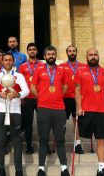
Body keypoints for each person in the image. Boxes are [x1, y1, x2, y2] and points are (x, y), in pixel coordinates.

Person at [75, 48, 104, 176]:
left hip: (101, 111)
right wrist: (78, 107)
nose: (93, 57)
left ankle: (101, 169)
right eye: (90, 55)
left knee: (101, 140)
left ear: (98, 56)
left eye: (95, 55)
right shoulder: (80, 71)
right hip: (86, 111)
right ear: (86, 57)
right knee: (84, 135)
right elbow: (77, 91)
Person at [0, 52, 29, 176]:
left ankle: (18, 170)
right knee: (1, 141)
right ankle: (1, 169)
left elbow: (26, 90)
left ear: (13, 61)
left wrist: (18, 94)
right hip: (0, 111)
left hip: (15, 111)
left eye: (10, 60)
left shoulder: (19, 76)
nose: (8, 62)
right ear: (2, 62)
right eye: (6, 60)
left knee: (17, 142)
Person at [31, 45, 70, 176]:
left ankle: (64, 167)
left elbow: (65, 86)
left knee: (60, 139)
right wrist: (41, 97)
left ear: (56, 55)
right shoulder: (39, 69)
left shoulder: (62, 70)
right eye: (48, 54)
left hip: (59, 109)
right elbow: (33, 87)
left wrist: (57, 96)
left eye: (53, 54)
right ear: (44, 56)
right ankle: (41, 168)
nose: (51, 56)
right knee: (43, 139)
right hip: (43, 109)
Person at [59, 45, 86, 154]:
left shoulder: (83, 66)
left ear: (76, 52)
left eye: (74, 51)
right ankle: (60, 142)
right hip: (65, 97)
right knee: (62, 121)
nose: (72, 53)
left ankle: (78, 144)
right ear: (66, 53)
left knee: (77, 121)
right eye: (70, 51)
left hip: (78, 97)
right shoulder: (61, 66)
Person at [19, 43, 43, 154]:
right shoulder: (23, 66)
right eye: (30, 50)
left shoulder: (43, 65)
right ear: (27, 52)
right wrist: (21, 96)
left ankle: (45, 145)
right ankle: (29, 145)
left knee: (43, 123)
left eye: (34, 49)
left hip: (40, 97)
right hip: (27, 98)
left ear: (37, 51)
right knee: (28, 123)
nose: (32, 51)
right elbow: (19, 82)